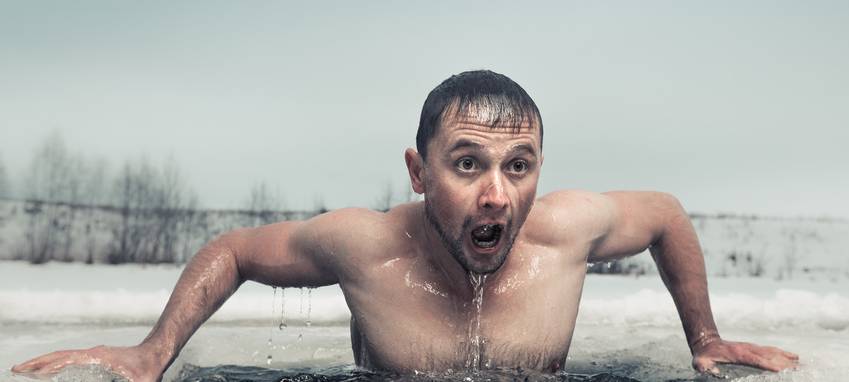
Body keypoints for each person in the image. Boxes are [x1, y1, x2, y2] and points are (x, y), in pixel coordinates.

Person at [12, 70, 798, 381]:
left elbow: (662, 213)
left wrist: (704, 337)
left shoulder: (566, 233)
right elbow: (235, 251)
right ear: (419, 173)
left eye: (518, 167)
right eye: (466, 165)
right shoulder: (368, 248)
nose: (496, 195)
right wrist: (153, 354)